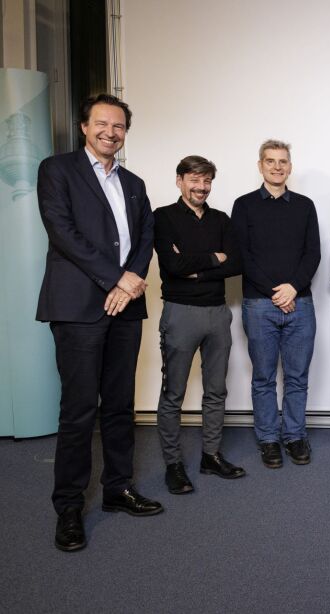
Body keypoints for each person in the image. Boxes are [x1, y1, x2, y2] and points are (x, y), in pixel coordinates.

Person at [36, 93, 162, 552]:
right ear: (85, 126)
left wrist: (126, 285)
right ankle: (68, 508)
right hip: (78, 307)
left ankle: (117, 489)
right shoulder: (57, 170)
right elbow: (61, 231)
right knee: (78, 409)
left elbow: (146, 235)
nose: (112, 132)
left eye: (120, 126)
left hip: (125, 306)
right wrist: (117, 278)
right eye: (103, 124)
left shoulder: (133, 181)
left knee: (118, 404)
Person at [153, 155, 245, 494]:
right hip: (180, 312)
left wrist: (195, 266)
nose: (201, 187)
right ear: (179, 181)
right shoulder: (162, 217)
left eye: (206, 181)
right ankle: (173, 464)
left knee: (216, 390)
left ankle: (211, 455)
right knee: (173, 393)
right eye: (194, 179)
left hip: (217, 313)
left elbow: (236, 264)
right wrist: (212, 258)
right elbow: (172, 265)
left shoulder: (221, 219)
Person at [231, 140, 321, 469]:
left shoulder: (305, 205)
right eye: (270, 161)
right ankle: (269, 439)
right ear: (260, 166)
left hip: (300, 304)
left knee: (297, 377)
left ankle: (295, 436)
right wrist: (275, 291)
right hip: (259, 305)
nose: (277, 167)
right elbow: (243, 255)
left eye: (283, 161)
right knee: (264, 377)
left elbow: (313, 253)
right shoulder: (243, 206)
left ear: (290, 167)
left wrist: (293, 288)